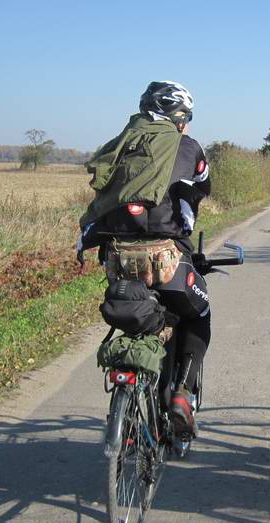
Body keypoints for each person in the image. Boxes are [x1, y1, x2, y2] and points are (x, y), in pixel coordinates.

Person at [78, 81, 211, 440]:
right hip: (168, 260)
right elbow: (200, 187)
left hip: (119, 261)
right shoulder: (189, 147)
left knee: (137, 313)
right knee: (198, 314)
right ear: (181, 118)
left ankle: (134, 408)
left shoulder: (121, 144)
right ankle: (182, 395)